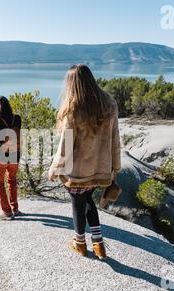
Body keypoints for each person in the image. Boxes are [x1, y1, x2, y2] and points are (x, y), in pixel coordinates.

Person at [49, 64, 121, 260]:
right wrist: (115, 167)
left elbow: (65, 144)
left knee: (77, 204)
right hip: (99, 169)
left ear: (72, 83)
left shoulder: (73, 108)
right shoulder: (109, 104)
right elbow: (115, 138)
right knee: (88, 200)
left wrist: (55, 167)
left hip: (77, 171)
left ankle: (80, 243)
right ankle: (98, 245)